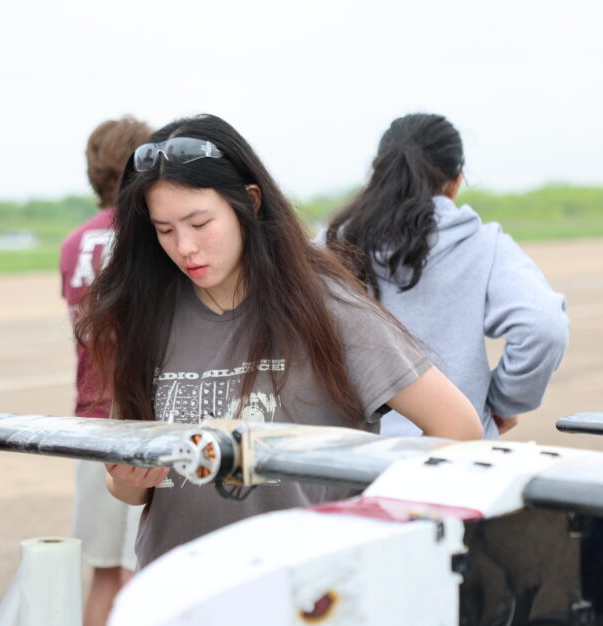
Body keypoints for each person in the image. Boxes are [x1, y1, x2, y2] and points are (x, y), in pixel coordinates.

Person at [76, 114, 484, 569]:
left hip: (299, 593)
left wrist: (373, 528)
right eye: (165, 230)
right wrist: (131, 477)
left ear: (249, 202)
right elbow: (130, 489)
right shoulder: (148, 315)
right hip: (176, 589)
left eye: (199, 222)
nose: (184, 247)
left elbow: (459, 429)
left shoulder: (325, 308)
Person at [324, 113, 569, 439]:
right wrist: (503, 403)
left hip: (349, 455)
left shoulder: (329, 246)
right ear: (456, 181)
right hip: (455, 452)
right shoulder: (484, 246)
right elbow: (544, 327)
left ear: (378, 173)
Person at [60, 116, 153, 626]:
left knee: (103, 573)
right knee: (150, 570)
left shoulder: (74, 244)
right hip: (146, 420)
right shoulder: (151, 238)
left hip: (92, 419)